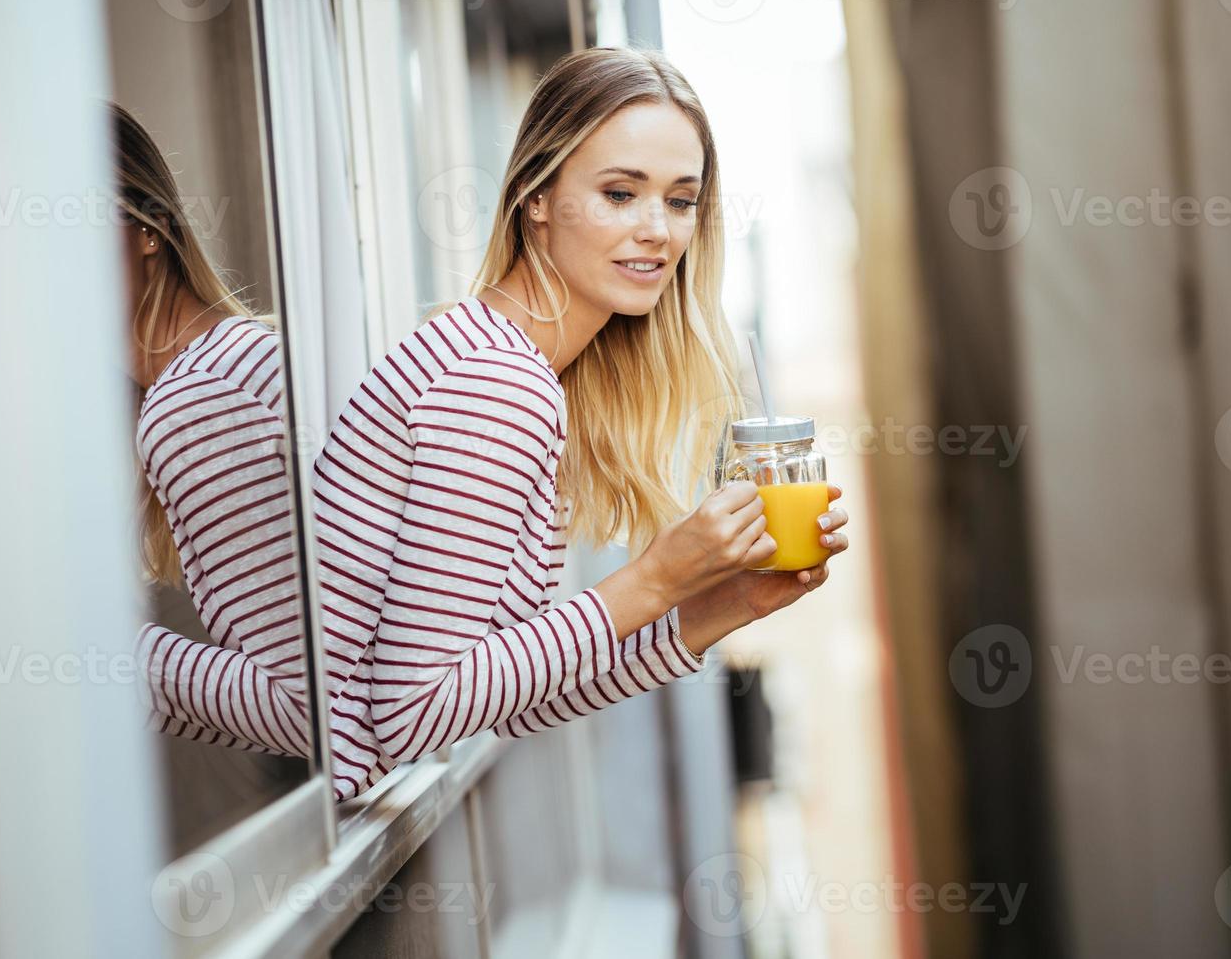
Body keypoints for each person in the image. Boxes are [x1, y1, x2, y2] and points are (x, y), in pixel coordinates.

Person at [310, 47, 850, 802]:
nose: (657, 231)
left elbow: (511, 697)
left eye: (680, 200)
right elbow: (411, 714)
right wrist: (657, 577)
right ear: (536, 195)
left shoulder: (520, 368)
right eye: (620, 193)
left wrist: (728, 604)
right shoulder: (494, 383)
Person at [111, 102, 313, 760]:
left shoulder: (196, 400)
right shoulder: (232, 359)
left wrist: (101, 654)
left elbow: (309, 713)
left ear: (149, 229)